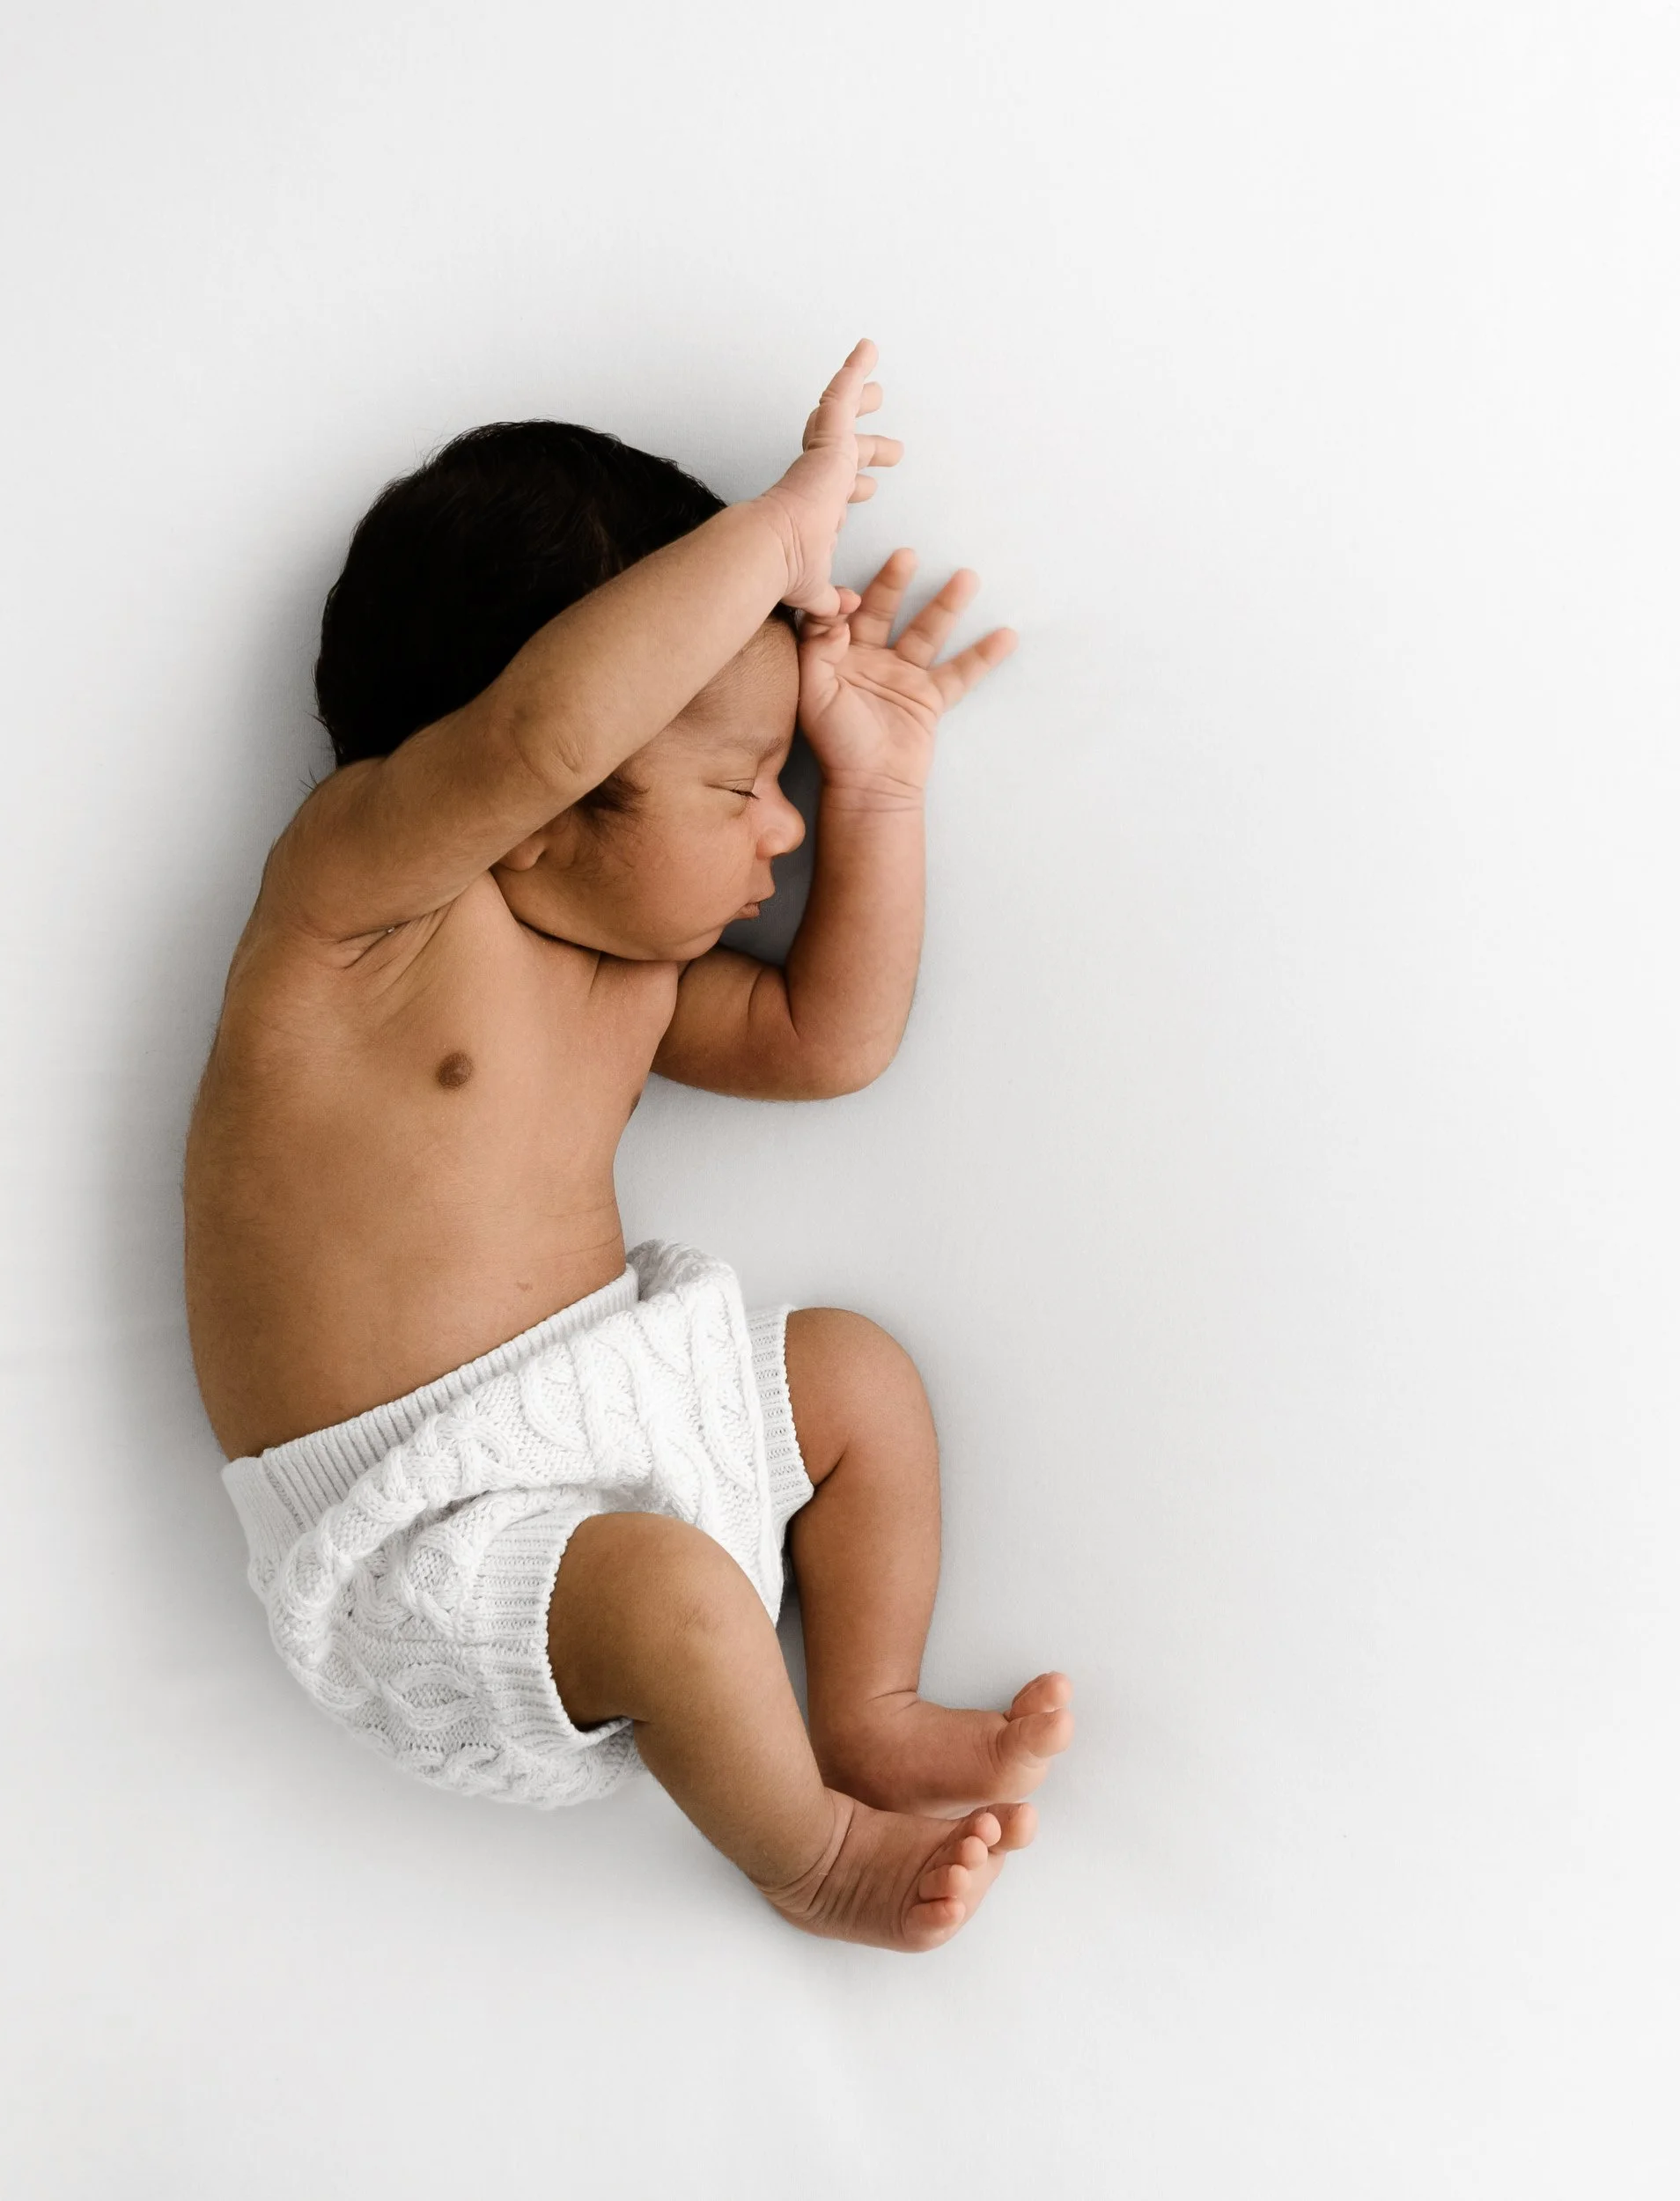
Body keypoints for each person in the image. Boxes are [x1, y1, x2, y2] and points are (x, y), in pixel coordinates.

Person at [186, 342, 1072, 1950]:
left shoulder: (635, 977)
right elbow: (529, 730)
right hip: (416, 1543)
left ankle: (860, 1704)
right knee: (670, 1597)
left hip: (619, 1423)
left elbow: (832, 1043)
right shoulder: (360, 907)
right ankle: (807, 1855)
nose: (777, 826)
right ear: (553, 797)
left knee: (854, 1375)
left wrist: (876, 794)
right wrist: (781, 535)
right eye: (741, 781)